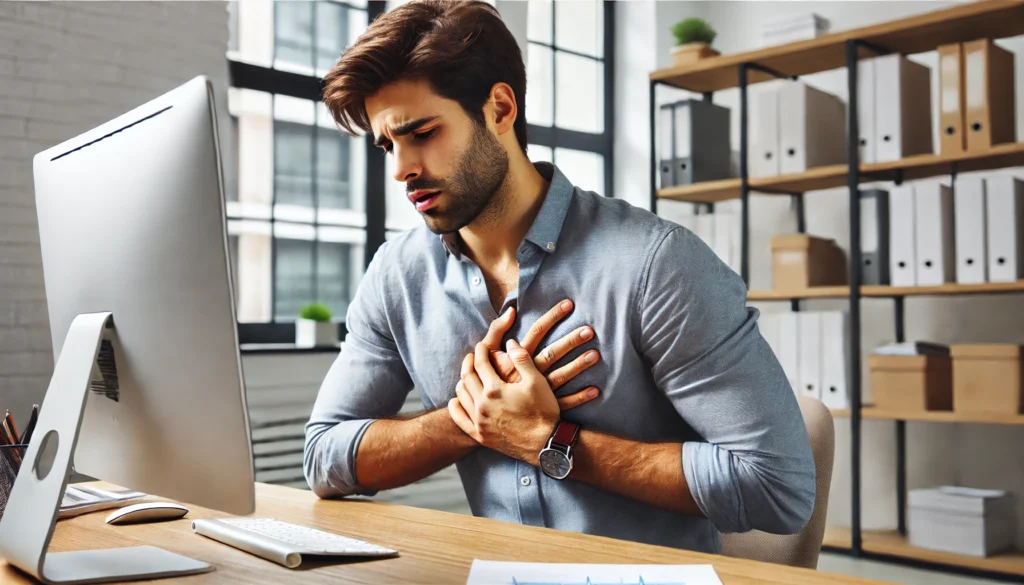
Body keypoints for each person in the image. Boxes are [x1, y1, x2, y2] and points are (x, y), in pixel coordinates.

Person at [304, 0, 815, 554]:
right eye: (387, 145)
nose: (401, 167)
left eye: (421, 132)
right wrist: (470, 419)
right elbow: (324, 458)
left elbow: (778, 487)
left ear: (499, 109)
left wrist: (552, 440)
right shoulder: (397, 276)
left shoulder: (658, 266)